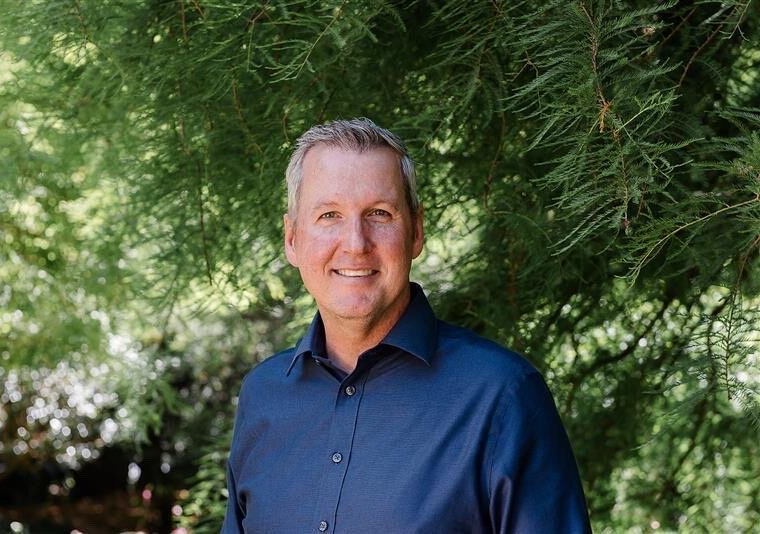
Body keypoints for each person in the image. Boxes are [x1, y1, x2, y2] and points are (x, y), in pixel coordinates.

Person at [221, 118, 591, 533]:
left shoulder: (502, 396)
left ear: (416, 231)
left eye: (379, 213)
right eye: (329, 215)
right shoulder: (263, 396)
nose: (356, 243)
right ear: (292, 239)